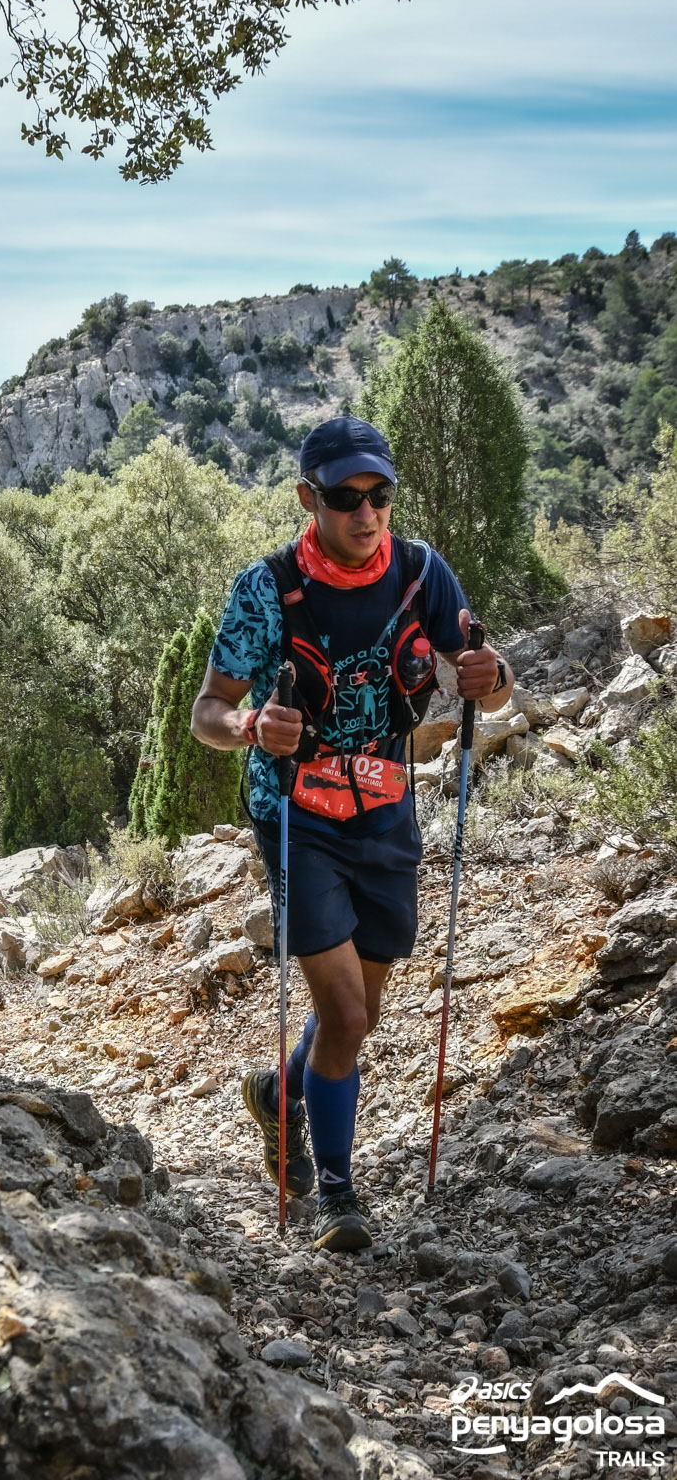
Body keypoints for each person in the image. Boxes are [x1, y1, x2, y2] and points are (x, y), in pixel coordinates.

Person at [190, 416, 513, 1252]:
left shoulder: (421, 572)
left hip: (385, 808)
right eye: (345, 498)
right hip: (294, 814)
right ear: (309, 499)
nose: (365, 513)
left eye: (378, 494)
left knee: (358, 1017)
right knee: (339, 1012)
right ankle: (338, 1195)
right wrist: (250, 725)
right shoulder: (265, 588)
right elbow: (207, 711)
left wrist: (492, 677)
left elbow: (488, 679)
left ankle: (279, 1094)